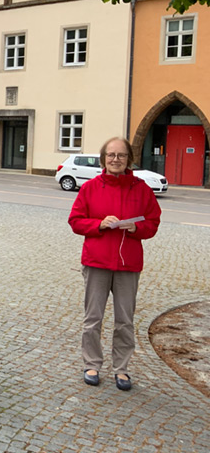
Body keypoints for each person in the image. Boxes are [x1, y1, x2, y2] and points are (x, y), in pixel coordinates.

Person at [69, 137, 161, 391]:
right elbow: (75, 221)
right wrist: (98, 224)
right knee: (93, 318)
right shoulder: (90, 188)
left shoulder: (141, 189)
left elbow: (153, 223)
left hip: (128, 264)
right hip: (97, 261)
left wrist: (137, 228)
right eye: (111, 155)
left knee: (125, 320)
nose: (115, 160)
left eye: (121, 155)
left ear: (129, 159)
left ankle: (121, 368)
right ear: (103, 159)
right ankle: (91, 364)